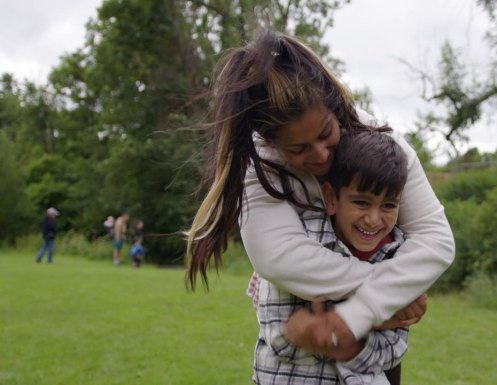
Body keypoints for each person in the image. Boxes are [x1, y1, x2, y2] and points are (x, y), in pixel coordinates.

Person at [184, 29, 454, 380]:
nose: (321, 154)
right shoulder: (261, 167)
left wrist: (364, 310)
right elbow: (282, 259)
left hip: (373, 365)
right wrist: (392, 293)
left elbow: (436, 240)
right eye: (298, 149)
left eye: (326, 133)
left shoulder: (384, 146)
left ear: (336, 106)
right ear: (268, 141)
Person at [248, 129, 411, 384]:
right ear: (331, 199)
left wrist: (338, 339)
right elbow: (279, 337)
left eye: (388, 205)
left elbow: (395, 347)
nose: (373, 218)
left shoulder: (398, 257)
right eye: (361, 202)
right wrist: (364, 323)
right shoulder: (301, 244)